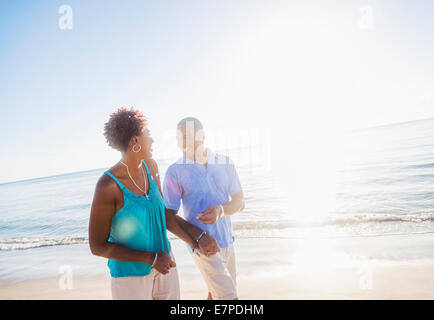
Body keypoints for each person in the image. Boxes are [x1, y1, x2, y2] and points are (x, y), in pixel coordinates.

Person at [88, 108, 219, 300]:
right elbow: (97, 246)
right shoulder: (107, 185)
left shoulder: (151, 166)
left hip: (166, 264)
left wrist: (197, 238)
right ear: (135, 141)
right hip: (130, 276)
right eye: (148, 134)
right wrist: (151, 258)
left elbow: (164, 216)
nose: (153, 140)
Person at [163, 117, 245, 300]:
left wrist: (221, 210)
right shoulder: (174, 172)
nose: (183, 142)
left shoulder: (225, 162)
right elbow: (168, 217)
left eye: (189, 136)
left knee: (215, 294)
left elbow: (240, 202)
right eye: (180, 138)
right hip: (203, 247)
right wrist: (197, 241)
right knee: (230, 298)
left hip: (227, 241)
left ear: (203, 135)